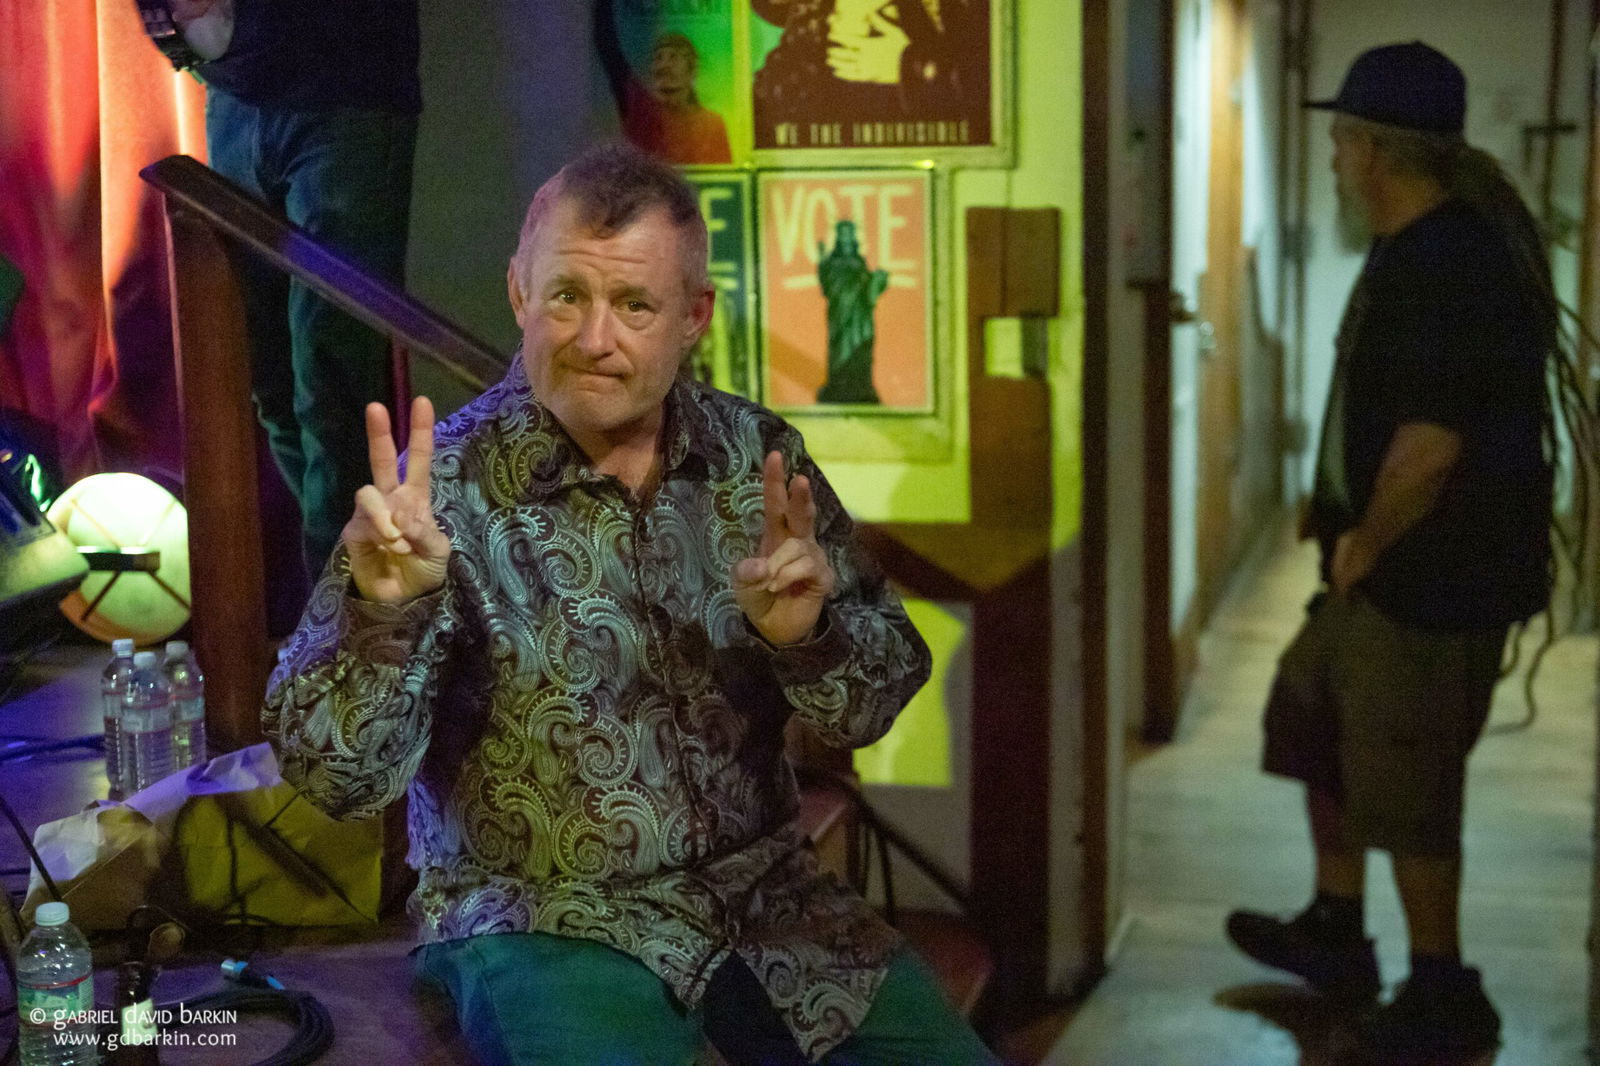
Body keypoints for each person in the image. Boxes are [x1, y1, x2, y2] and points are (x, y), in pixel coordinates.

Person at [263, 142, 996, 1066]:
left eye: (635, 306)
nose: (594, 338)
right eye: (567, 295)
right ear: (520, 293)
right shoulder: (434, 494)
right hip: (545, 916)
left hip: (765, 897)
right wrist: (382, 621)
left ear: (693, 317)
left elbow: (874, 702)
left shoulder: (755, 459)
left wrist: (809, 637)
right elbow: (337, 782)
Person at [1225, 42, 1556, 1064]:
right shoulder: (1415, 245)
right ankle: (1336, 928)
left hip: (1431, 580)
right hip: (1379, 569)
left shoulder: (1448, 266)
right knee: (1315, 716)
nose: (1332, 161)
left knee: (1410, 786)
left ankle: (1445, 989)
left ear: (1372, 151)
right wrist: (1334, 509)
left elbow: (1430, 447)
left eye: (1339, 143)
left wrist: (1366, 539)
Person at [170, 0, 421, 577]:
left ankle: (341, 610)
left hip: (345, 88)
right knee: (273, 386)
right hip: (236, 93)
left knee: (332, 387)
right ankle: (341, 597)